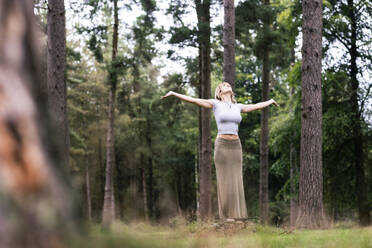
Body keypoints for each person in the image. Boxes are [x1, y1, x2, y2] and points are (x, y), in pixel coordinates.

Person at [161, 82, 279, 222]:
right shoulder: (215, 103)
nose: (227, 85)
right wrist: (174, 94)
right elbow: (194, 100)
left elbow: (256, 106)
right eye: (223, 85)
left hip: (236, 145)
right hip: (222, 144)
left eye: (228, 84)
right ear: (219, 91)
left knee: (236, 179)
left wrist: (270, 101)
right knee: (224, 180)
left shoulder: (238, 106)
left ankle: (237, 214)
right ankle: (227, 215)